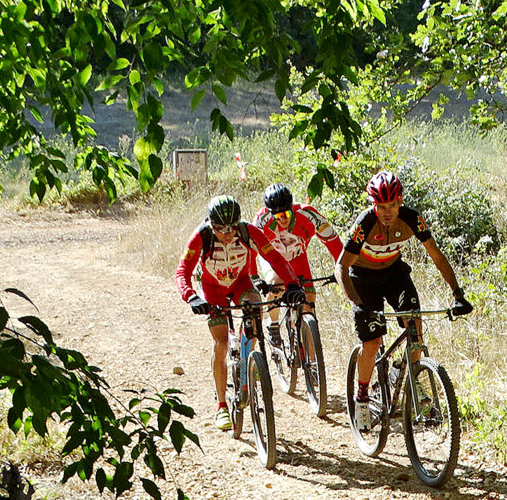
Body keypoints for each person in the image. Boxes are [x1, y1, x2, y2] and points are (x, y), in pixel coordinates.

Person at [334, 171, 473, 431]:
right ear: (373, 205)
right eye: (381, 207)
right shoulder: (365, 222)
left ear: (400, 201)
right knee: (372, 341)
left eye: (393, 205)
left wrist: (458, 294)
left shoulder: (411, 218)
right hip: (362, 277)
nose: (387, 212)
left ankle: (407, 375)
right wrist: (357, 304)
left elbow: (437, 255)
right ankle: (362, 398)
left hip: (394, 274)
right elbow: (341, 268)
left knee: (415, 326)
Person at [175, 195, 305, 431]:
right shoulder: (201, 236)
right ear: (211, 224)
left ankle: (249, 363)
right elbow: (182, 271)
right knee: (221, 342)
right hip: (212, 289)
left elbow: (274, 257)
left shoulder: (249, 232)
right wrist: (191, 296)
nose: (226, 233)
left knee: (254, 310)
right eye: (220, 228)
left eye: (232, 227)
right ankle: (222, 405)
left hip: (240, 283)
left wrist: (292, 284)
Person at [252, 183, 343, 347]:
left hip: (297, 256)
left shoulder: (307, 214)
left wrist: (341, 268)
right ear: (270, 213)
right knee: (275, 285)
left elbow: (333, 241)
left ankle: (309, 354)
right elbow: (251, 249)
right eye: (278, 216)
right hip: (272, 258)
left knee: (308, 296)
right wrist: (254, 276)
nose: (284, 219)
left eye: (287, 213)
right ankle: (273, 324)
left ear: (292, 207)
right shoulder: (261, 219)